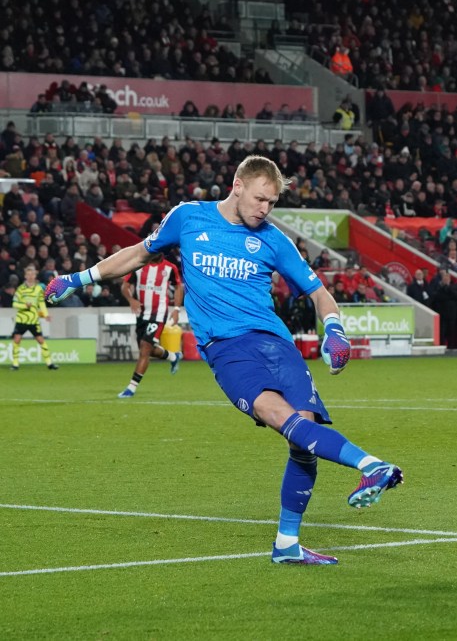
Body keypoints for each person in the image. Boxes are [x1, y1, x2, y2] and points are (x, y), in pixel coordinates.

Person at [46, 155, 403, 565]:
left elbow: (319, 293)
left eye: (272, 203)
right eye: (260, 199)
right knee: (281, 417)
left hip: (276, 344)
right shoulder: (188, 218)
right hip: (228, 351)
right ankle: (371, 464)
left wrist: (335, 331)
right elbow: (140, 254)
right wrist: (80, 278)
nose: (265, 209)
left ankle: (287, 544)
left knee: (303, 439)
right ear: (237, 185)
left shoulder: (272, 239)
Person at [117, 252, 185, 397]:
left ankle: (131, 388)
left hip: (158, 314)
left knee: (144, 349)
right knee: (148, 350)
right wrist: (130, 299)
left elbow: (179, 287)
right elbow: (125, 286)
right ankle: (173, 357)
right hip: (141, 314)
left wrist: (177, 309)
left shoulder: (170, 268)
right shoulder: (139, 266)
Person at [10, 265, 58, 371]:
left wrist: (46, 315)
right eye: (29, 274)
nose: (31, 276)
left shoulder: (38, 289)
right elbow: (14, 304)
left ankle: (49, 363)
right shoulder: (20, 289)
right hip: (21, 319)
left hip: (33, 320)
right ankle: (15, 364)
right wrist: (24, 306)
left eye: (33, 274)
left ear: (35, 275)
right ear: (25, 276)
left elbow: (41, 304)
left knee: (41, 340)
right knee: (17, 340)